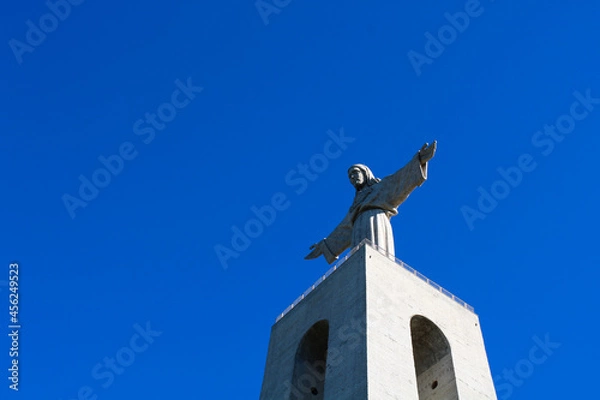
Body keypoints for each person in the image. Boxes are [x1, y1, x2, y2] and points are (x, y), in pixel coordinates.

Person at [305, 141, 437, 264]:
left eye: (355, 173)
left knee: (379, 257)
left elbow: (400, 179)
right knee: (360, 263)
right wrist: (325, 245)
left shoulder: (380, 188)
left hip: (377, 219)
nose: (352, 177)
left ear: (365, 173)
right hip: (358, 228)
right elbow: (344, 228)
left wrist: (419, 160)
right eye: (350, 176)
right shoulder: (356, 205)